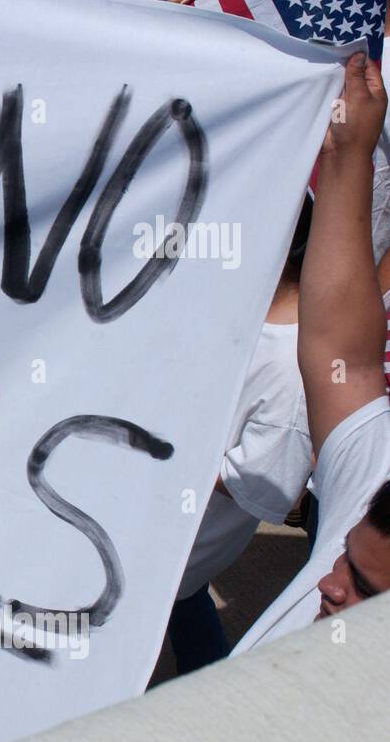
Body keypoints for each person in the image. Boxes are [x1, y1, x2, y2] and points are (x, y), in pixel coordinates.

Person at [237, 52, 390, 650]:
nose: (327, 583)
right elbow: (343, 355)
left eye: (366, 589)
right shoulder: (377, 477)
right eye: (343, 554)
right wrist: (347, 154)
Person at [167, 201, 313, 672]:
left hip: (187, 535)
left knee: (169, 595)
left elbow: (266, 480)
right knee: (184, 605)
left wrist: (166, 450)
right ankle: (212, 682)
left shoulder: (293, 366)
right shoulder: (234, 306)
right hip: (167, 522)